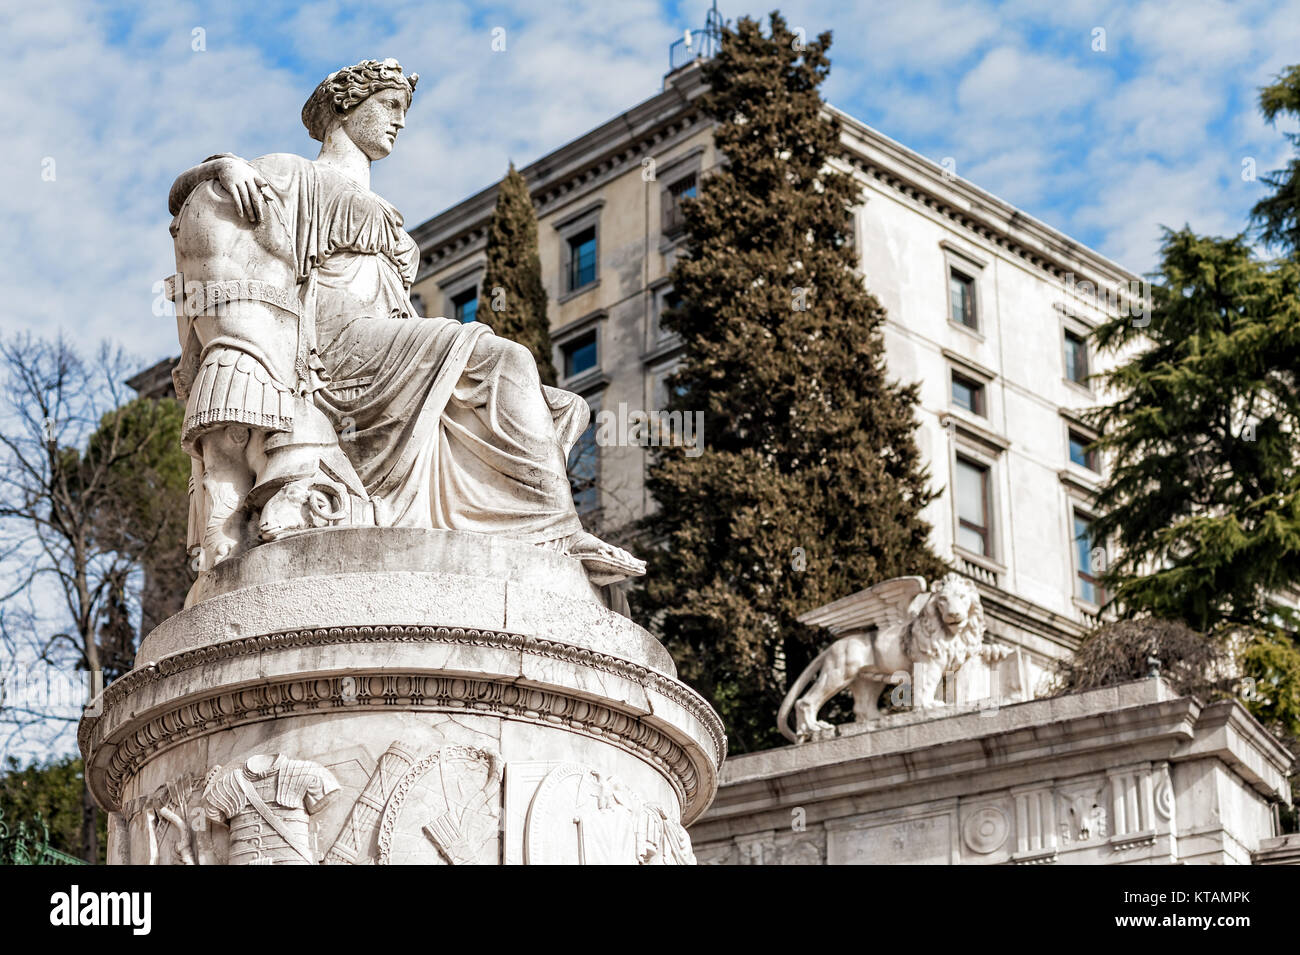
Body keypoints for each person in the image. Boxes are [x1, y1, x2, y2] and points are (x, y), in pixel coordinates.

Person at [168, 59, 642, 585]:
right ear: (347, 106)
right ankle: (557, 530)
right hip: (333, 344)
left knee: (559, 404)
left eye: (404, 110)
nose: (400, 121)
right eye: (390, 106)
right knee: (505, 360)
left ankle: (506, 526)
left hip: (387, 339)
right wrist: (221, 166)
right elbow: (187, 198)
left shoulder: (380, 204)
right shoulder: (296, 172)